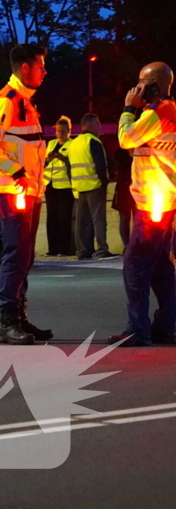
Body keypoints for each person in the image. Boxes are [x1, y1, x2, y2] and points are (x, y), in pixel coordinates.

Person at [0, 43, 52, 344]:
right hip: (13, 191)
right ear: (25, 68)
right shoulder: (7, 102)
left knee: (24, 255)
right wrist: (17, 172)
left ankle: (18, 318)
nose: (45, 71)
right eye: (40, 66)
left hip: (27, 191)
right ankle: (8, 322)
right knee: (16, 254)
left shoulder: (25, 102)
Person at [109, 62, 176, 347]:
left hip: (153, 203)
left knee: (135, 264)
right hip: (164, 200)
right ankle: (167, 325)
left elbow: (126, 139)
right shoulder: (168, 110)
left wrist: (128, 108)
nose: (137, 88)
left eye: (142, 83)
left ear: (156, 85)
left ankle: (138, 328)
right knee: (161, 266)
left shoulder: (158, 111)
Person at [70, 113, 114, 260]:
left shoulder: (73, 143)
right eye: (97, 123)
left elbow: (69, 167)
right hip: (95, 186)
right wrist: (105, 180)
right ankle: (102, 249)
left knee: (81, 222)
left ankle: (82, 251)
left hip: (79, 188)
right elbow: (101, 165)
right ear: (89, 124)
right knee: (98, 220)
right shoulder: (93, 141)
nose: (100, 127)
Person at [44, 116, 75, 256]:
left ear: (69, 131)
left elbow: (74, 163)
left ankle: (64, 249)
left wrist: (63, 159)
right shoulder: (51, 144)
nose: (59, 134)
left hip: (65, 185)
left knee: (64, 218)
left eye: (62, 131)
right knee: (52, 217)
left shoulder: (72, 144)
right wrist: (48, 159)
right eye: (57, 131)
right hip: (50, 184)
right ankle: (52, 248)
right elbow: (44, 162)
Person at [111, 146, 135, 247]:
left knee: (135, 220)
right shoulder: (121, 153)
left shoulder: (120, 152)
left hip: (130, 189)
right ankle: (128, 246)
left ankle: (133, 245)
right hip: (124, 189)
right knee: (125, 219)